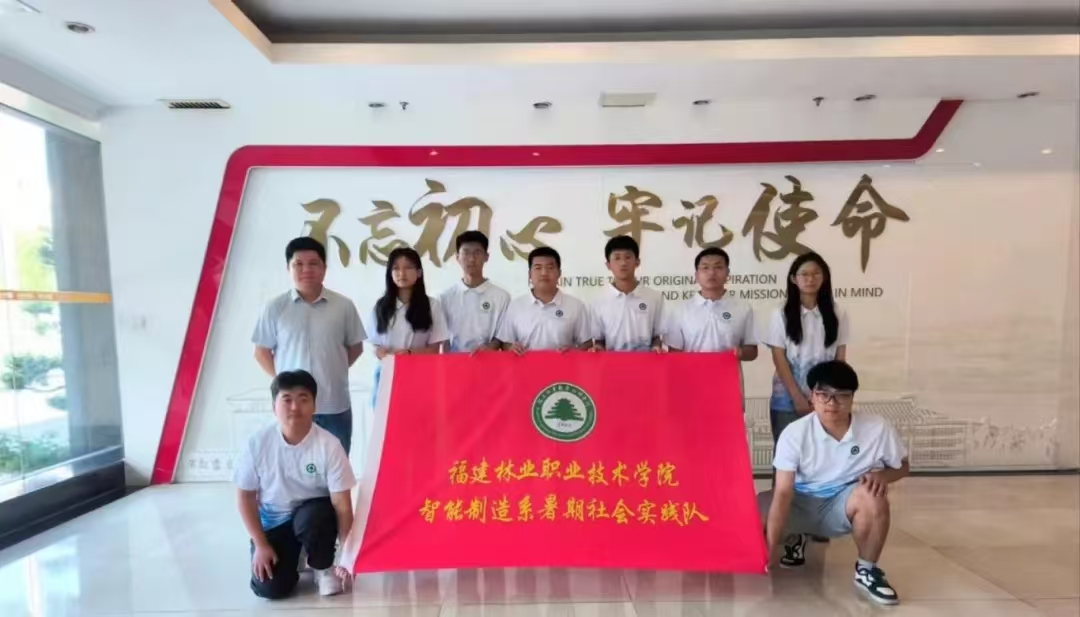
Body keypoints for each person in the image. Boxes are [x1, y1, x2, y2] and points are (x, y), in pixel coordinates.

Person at [759, 361, 908, 605]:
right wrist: (771, 548)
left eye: (841, 395)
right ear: (812, 397)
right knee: (757, 508)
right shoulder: (794, 433)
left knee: (873, 497)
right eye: (824, 394)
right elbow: (783, 493)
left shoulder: (876, 428)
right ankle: (794, 539)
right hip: (801, 502)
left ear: (852, 398)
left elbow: (903, 466)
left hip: (842, 502)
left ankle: (867, 570)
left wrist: (883, 476)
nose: (832, 402)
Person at [234, 370, 356, 599]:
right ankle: (296, 554)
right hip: (275, 523)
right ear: (274, 406)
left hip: (313, 519)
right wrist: (260, 545)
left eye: (303, 399)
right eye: (287, 399)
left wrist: (348, 555)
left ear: (314, 406)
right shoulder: (257, 444)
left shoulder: (329, 445)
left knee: (315, 517)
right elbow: (244, 497)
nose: (294, 407)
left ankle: (322, 566)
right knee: (271, 589)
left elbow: (342, 504)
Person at [253, 237, 366, 454]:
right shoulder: (274, 308)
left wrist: (332, 368)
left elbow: (355, 347)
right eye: (299, 264)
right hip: (292, 408)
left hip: (334, 404)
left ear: (324, 268)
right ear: (288, 268)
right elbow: (261, 352)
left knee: (336, 465)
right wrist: (287, 381)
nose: (306, 269)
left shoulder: (343, 306)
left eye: (313, 263)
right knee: (293, 465)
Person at [764, 251, 849, 444]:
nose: (810, 279)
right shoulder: (780, 313)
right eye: (804, 274)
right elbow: (779, 357)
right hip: (787, 400)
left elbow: (840, 359)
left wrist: (831, 396)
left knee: (824, 452)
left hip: (826, 399)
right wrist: (797, 398)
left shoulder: (838, 313)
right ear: (793, 279)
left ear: (824, 277)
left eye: (816, 273)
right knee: (787, 453)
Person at [366, 247, 449, 405]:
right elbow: (375, 345)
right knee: (387, 419)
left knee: (420, 418)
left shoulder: (432, 306)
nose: (401, 273)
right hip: (388, 376)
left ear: (419, 273)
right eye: (396, 268)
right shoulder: (381, 306)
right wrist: (380, 352)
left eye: (408, 267)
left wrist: (410, 354)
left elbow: (434, 350)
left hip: (420, 377)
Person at [665, 247, 758, 360]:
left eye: (718, 267)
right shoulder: (680, 310)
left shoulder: (743, 308)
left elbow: (752, 351)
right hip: (691, 371)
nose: (711, 272)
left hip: (729, 370)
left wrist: (740, 353)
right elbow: (674, 353)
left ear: (727, 273)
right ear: (697, 275)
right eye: (705, 267)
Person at [495, 247, 592, 352]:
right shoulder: (516, 306)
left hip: (563, 363)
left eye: (550, 267)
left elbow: (587, 343)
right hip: (525, 363)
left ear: (559, 273)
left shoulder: (576, 306)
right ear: (530, 274)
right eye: (538, 268)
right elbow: (506, 342)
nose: (544, 273)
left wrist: (575, 351)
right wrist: (511, 348)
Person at [438, 231, 511, 353]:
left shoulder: (502, 297)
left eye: (477, 252)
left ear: (486, 257)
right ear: (457, 257)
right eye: (466, 252)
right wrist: (447, 362)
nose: (471, 259)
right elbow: (444, 339)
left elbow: (502, 335)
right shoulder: (445, 297)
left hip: (489, 360)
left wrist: (489, 348)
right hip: (455, 361)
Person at [590, 235, 665, 352]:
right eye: (617, 258)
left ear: (637, 262)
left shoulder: (654, 297)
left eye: (628, 257)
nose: (623, 263)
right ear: (608, 265)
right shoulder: (598, 300)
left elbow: (657, 336)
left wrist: (656, 347)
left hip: (645, 362)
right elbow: (599, 340)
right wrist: (598, 348)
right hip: (611, 362)